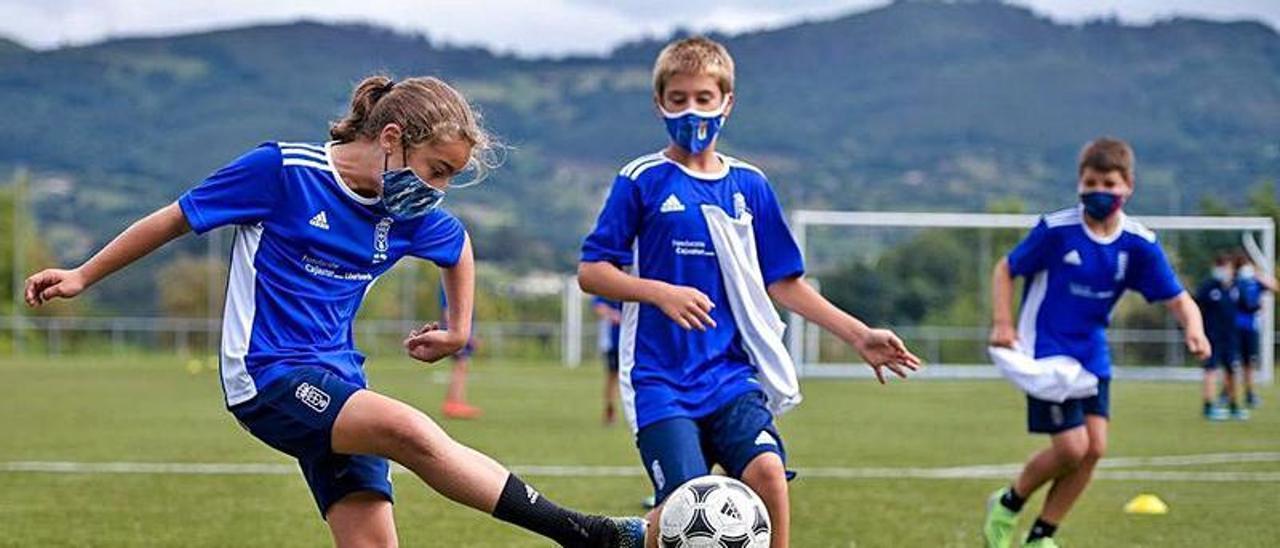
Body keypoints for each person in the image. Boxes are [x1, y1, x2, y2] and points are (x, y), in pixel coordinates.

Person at [24, 75, 643, 548]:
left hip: (341, 382)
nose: (438, 190)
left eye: (451, 178)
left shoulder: (406, 213)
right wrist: (83, 274)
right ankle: (587, 533)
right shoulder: (282, 171)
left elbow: (458, 249)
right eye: (437, 171)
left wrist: (459, 329)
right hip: (267, 376)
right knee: (411, 431)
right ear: (393, 139)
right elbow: (173, 218)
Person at [577, 36, 920, 548]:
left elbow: (783, 281)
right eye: (678, 99)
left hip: (731, 375)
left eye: (703, 98)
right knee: (684, 513)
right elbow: (592, 271)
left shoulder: (751, 185)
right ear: (659, 103)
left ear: (726, 103)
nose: (691, 110)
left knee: (767, 475)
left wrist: (858, 335)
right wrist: (659, 293)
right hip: (659, 380)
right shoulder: (641, 180)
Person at [983, 137, 1210, 548]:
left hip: (1092, 354)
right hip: (1045, 351)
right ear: (1079, 184)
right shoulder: (1057, 230)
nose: (1099, 192)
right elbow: (1005, 269)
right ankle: (1008, 502)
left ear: (1128, 187)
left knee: (1094, 449)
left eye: (1109, 183)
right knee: (1072, 448)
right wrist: (1003, 322)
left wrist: (1194, 328)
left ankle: (1040, 537)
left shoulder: (1138, 244)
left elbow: (1178, 298)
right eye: (1091, 183)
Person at [1230, 252, 1277, 413]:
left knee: (1249, 363)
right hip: (1234, 328)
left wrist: (1258, 275)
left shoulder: (1255, 283)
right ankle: (1227, 393)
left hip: (1251, 328)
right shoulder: (1235, 282)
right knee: (1232, 362)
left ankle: (1250, 393)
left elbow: (1275, 286)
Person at [1194, 253, 1240, 420]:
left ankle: (1233, 405)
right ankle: (1209, 405)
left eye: (1228, 267)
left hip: (1230, 336)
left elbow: (1247, 306)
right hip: (1212, 336)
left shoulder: (1235, 288)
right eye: (1222, 266)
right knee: (1210, 369)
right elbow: (1196, 307)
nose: (1225, 270)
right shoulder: (1208, 287)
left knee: (1232, 370)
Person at [439, 283, 482, 419]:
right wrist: (456, 332)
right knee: (460, 366)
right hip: (455, 331)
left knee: (461, 367)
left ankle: (455, 401)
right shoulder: (449, 281)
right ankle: (454, 403)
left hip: (459, 331)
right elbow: (448, 309)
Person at [593, 295, 624, 425]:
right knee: (612, 376)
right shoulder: (609, 283)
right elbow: (598, 307)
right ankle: (610, 410)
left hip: (635, 343)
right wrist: (613, 315)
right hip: (614, 343)